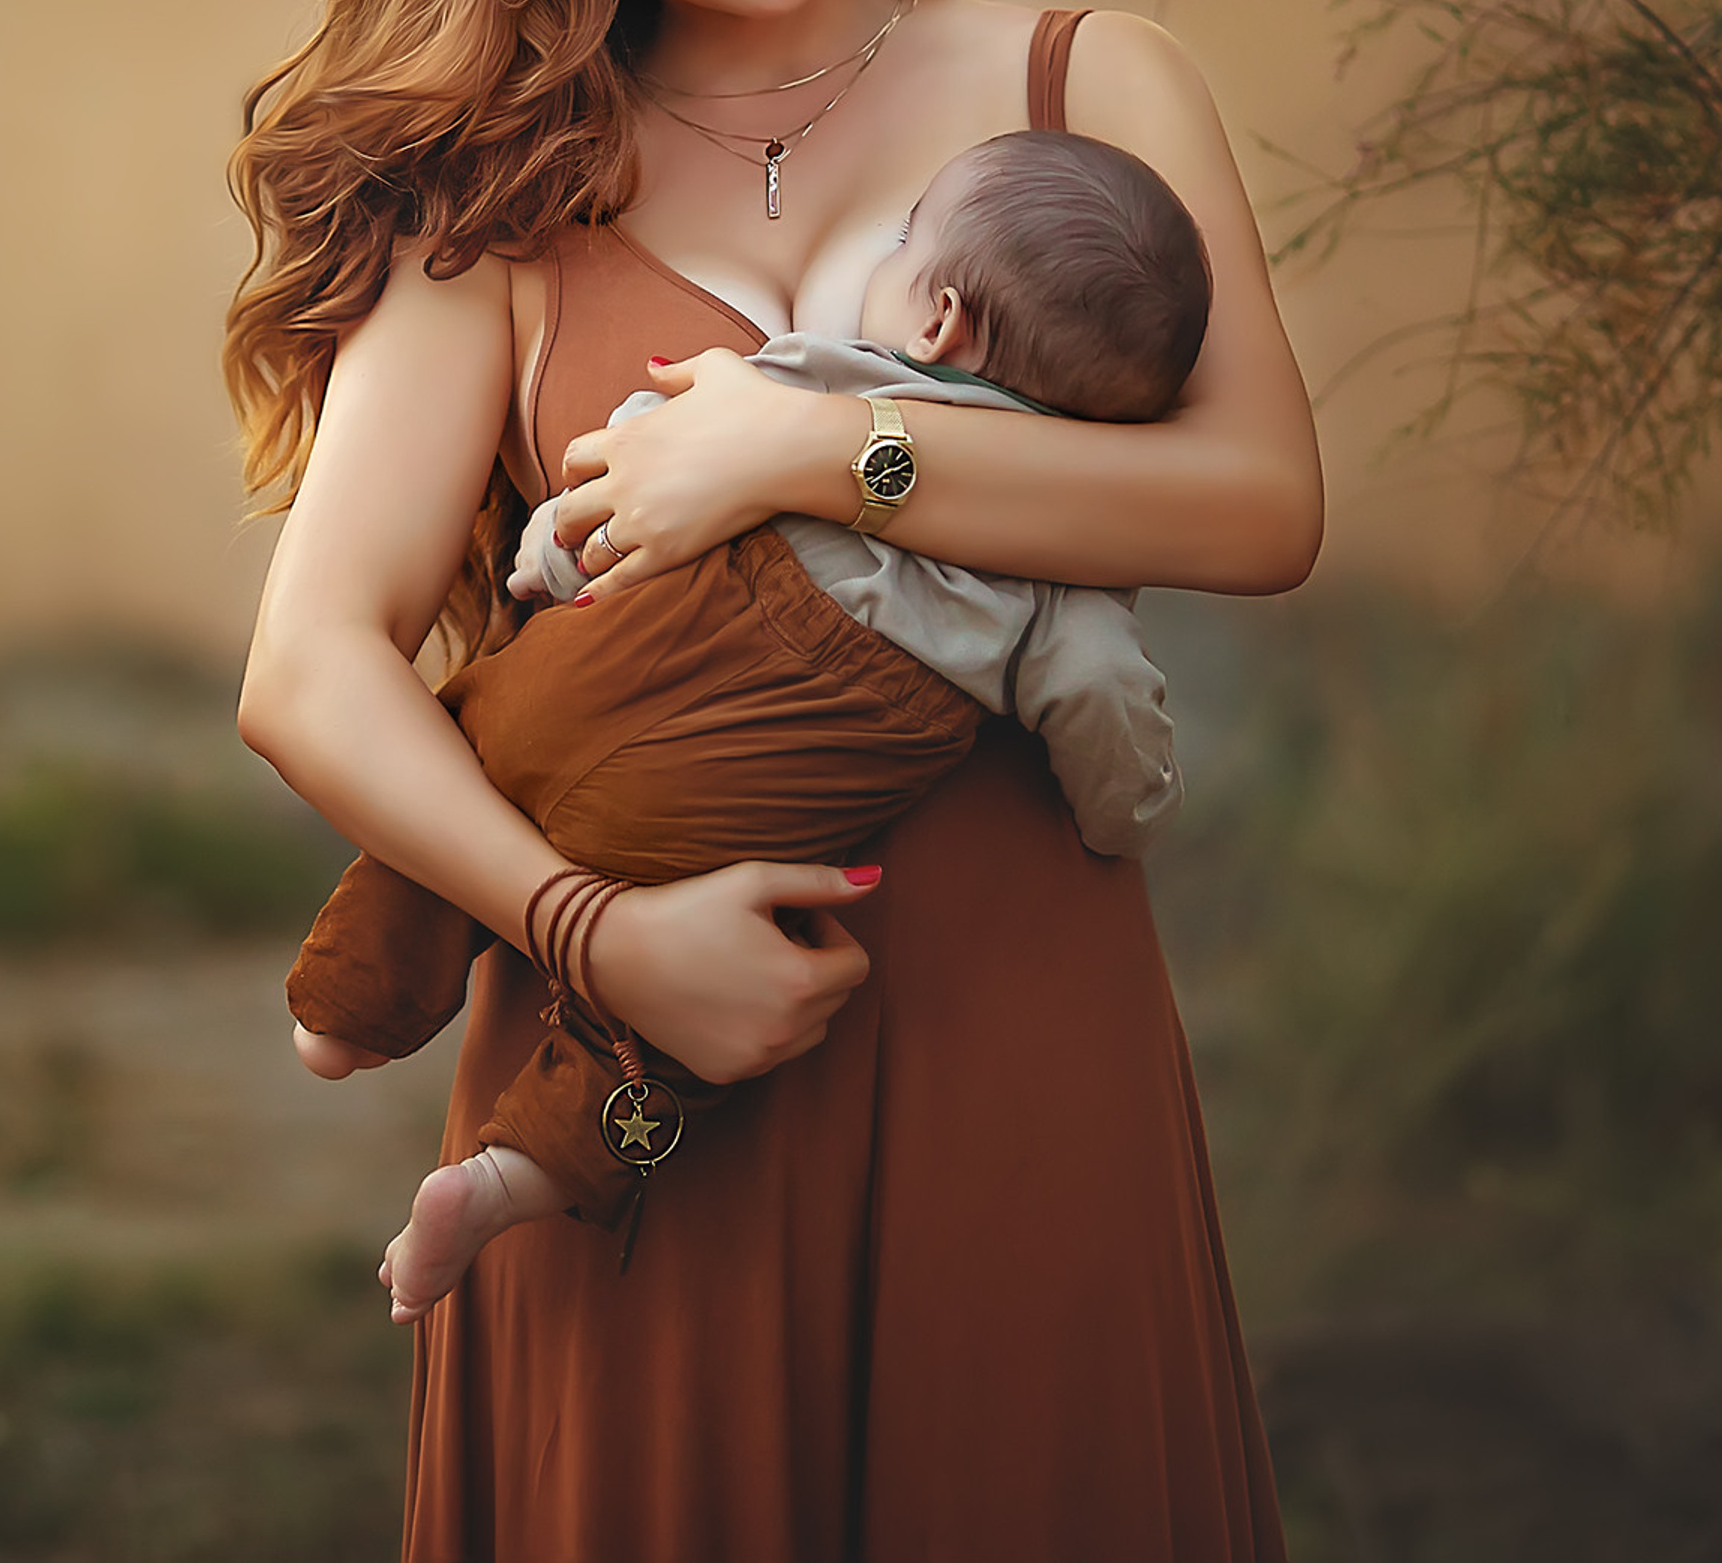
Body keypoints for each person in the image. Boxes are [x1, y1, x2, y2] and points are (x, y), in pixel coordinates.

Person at [227, 0, 1319, 1561]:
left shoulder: (1085, 87)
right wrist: (591, 934)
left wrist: (822, 457)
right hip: (630, 1069)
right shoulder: (507, 192)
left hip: (1022, 1054)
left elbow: (1255, 504)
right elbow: (308, 664)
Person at [285, 123, 1203, 1321]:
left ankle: (340, 1010)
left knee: (466, 762)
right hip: (739, 794)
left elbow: (633, 455)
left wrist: (552, 559)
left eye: (903, 247)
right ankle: (509, 1181)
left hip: (599, 663)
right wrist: (1123, 813)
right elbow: (1099, 703)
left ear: (936, 325)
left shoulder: (811, 376)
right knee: (672, 1042)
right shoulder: (1053, 560)